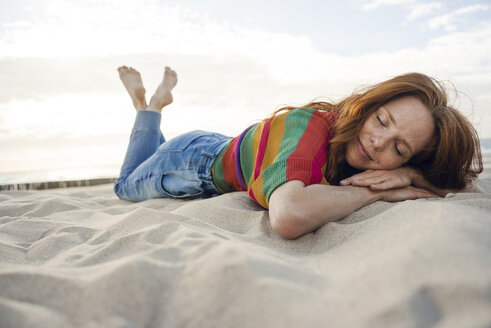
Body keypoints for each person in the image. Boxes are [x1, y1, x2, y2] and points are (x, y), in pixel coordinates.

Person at [114, 65, 483, 239]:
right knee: (126, 185)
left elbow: (468, 189)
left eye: (399, 148)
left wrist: (411, 177)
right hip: (193, 162)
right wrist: (381, 190)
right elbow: (289, 215)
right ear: (369, 106)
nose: (376, 143)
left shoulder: (392, 164)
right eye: (382, 121)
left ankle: (153, 109)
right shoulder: (310, 124)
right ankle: (151, 109)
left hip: (225, 145)